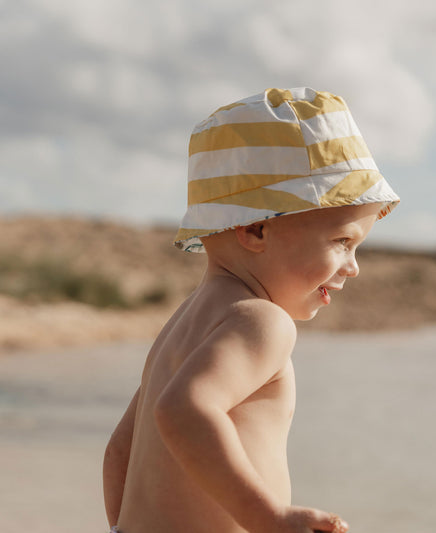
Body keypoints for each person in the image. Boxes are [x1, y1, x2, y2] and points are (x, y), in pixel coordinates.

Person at [103, 87, 400, 533]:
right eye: (342, 242)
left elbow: (120, 451)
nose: (353, 267)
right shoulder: (263, 321)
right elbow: (183, 411)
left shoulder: (184, 323)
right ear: (256, 228)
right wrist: (270, 518)